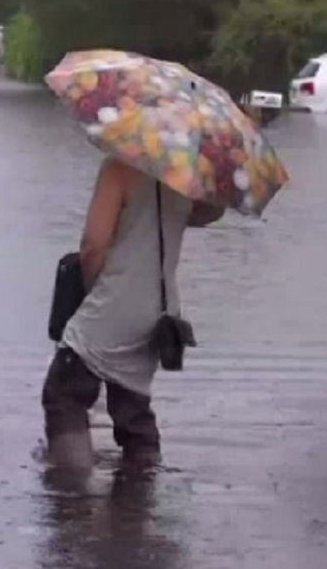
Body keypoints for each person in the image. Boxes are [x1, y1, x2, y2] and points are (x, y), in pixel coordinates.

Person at [42, 156, 224, 471]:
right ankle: (140, 492)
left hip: (114, 304)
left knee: (64, 394)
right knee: (132, 407)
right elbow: (207, 212)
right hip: (159, 314)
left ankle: (74, 494)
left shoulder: (119, 167)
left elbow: (93, 246)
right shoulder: (181, 172)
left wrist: (91, 292)